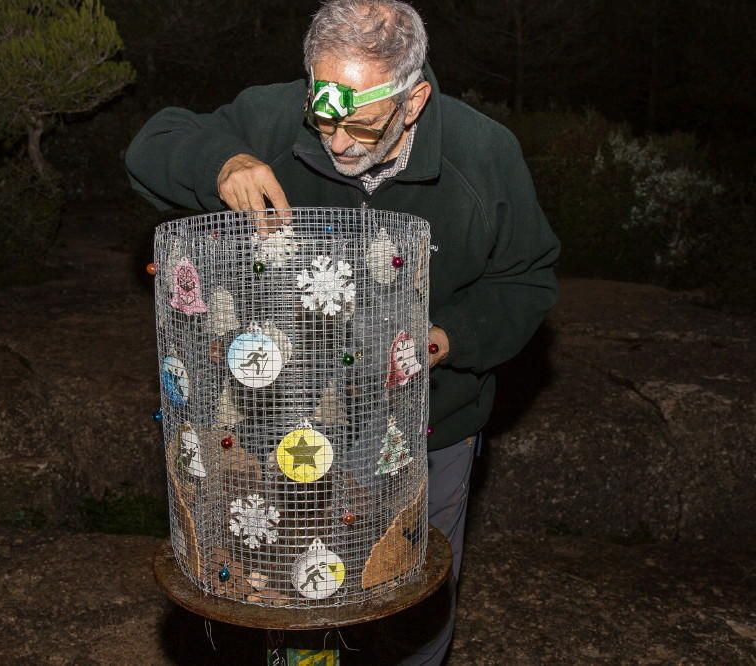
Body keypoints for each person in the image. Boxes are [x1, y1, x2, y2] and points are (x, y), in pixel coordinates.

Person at [126, 0, 560, 662]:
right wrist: (224, 163)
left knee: (404, 595)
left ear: (412, 102)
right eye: (324, 114)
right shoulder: (275, 117)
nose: (337, 141)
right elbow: (152, 146)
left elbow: (528, 280)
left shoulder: (483, 155)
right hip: (285, 421)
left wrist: (448, 338)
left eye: (361, 122)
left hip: (425, 427)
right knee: (291, 592)